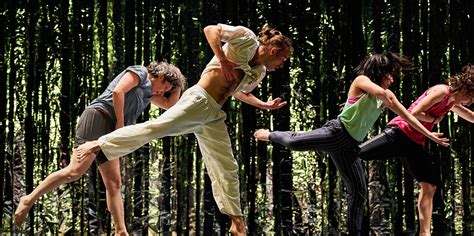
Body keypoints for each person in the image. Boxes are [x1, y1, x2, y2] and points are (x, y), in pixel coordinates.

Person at [75, 24, 293, 235]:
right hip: (198, 100)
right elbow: (210, 30)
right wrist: (223, 60)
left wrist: (263, 104)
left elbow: (238, 91)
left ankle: (237, 222)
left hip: (214, 113)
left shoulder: (259, 71)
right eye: (282, 59)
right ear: (273, 50)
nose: (282, 65)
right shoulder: (245, 38)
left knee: (227, 164)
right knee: (156, 128)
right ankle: (98, 143)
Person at [253, 52, 449, 235]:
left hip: (350, 145)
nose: (393, 79)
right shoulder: (362, 81)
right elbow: (376, 91)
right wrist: (386, 97)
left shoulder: (388, 96)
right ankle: (269, 134)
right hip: (336, 132)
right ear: (381, 72)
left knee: (359, 191)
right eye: (390, 74)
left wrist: (430, 135)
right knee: (294, 143)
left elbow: (408, 117)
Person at [14, 61, 186, 235]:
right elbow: (118, 91)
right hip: (99, 117)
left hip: (110, 130)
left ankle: (121, 231)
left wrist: (177, 83)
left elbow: (171, 106)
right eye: (164, 86)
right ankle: (28, 200)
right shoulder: (140, 72)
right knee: (74, 172)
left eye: (166, 91)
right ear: (161, 75)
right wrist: (120, 125)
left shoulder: (148, 94)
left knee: (114, 183)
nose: (163, 92)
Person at [358, 64, 473, 236]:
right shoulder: (442, 92)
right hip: (399, 133)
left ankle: (424, 233)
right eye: (471, 98)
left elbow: (470, 116)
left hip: (414, 143)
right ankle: (331, 142)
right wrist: (433, 119)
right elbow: (414, 111)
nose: (471, 102)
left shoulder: (451, 102)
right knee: (359, 152)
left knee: (429, 185)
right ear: (466, 89)